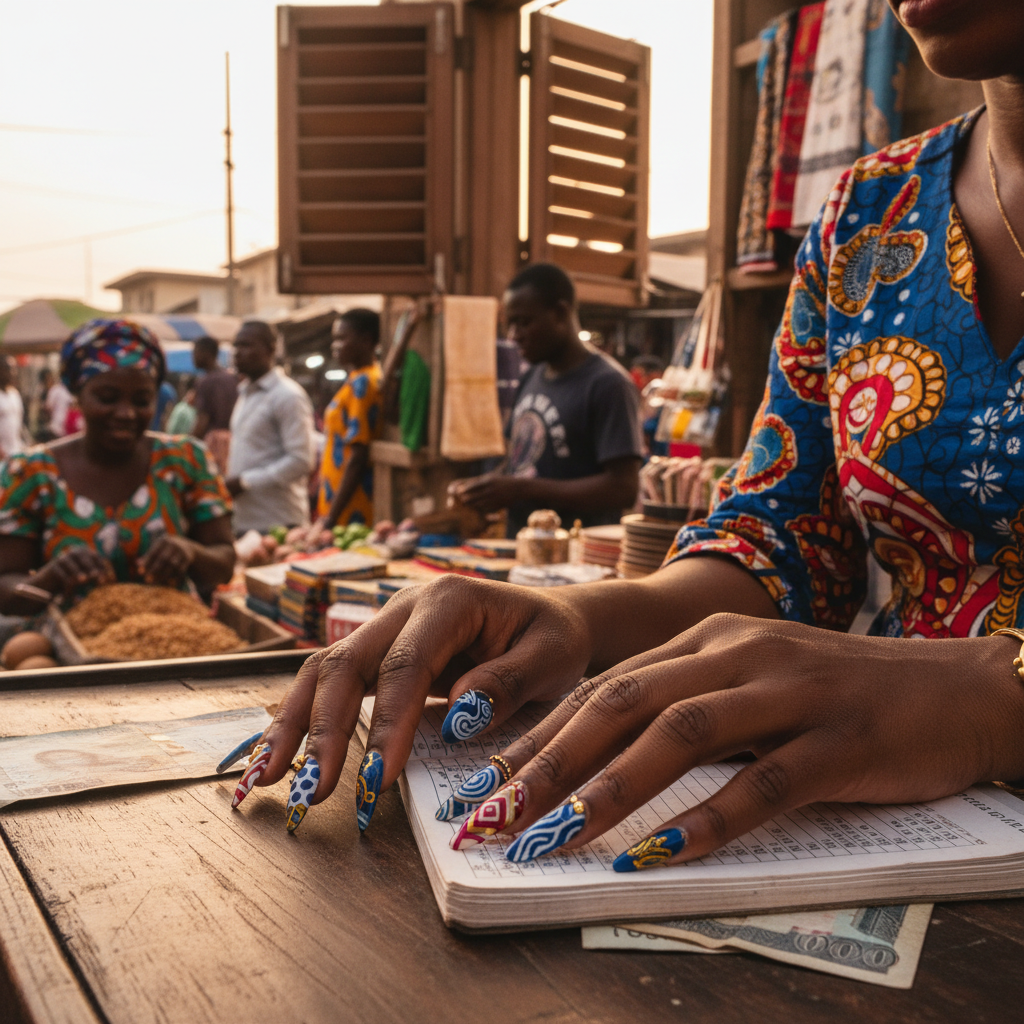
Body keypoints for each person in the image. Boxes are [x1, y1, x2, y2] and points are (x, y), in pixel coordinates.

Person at [229, 0, 1024, 862]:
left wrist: (987, 695)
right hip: (899, 820)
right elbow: (785, 537)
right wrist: (579, 619)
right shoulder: (872, 211)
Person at [0, 319, 235, 614]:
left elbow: (224, 564)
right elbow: (5, 589)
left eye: (142, 400)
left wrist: (191, 552)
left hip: (174, 639)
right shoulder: (30, 472)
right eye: (107, 398)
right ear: (78, 395)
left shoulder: (186, 459)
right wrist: (52, 577)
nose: (126, 413)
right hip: (65, 646)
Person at [450, 263, 643, 536]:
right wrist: (484, 488)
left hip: (577, 561)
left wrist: (522, 489)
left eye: (524, 322)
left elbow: (623, 489)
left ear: (561, 314)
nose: (514, 336)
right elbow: (522, 461)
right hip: (523, 548)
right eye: (510, 324)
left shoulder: (608, 384)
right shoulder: (532, 376)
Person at [225, 320, 315, 535]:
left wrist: (245, 482)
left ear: (271, 349)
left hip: (279, 522)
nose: (237, 353)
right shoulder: (245, 393)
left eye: (246, 345)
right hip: (245, 520)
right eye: (236, 346)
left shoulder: (287, 395)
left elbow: (301, 461)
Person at [306, 309, 382, 540]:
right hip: (338, 504)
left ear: (366, 340)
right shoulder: (358, 378)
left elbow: (358, 454)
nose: (335, 346)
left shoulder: (364, 382)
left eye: (342, 338)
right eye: (334, 339)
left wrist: (331, 518)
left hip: (349, 508)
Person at [190, 335, 237, 473]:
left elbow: (202, 422)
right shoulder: (231, 378)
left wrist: (187, 443)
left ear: (206, 354)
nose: (193, 357)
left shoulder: (205, 382)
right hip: (233, 443)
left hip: (213, 445)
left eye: (195, 352)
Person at [0, 357, 24, 459]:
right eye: (8, 369)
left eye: (14, 369)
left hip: (16, 452)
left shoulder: (15, 394)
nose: (12, 373)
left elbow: (19, 424)